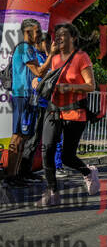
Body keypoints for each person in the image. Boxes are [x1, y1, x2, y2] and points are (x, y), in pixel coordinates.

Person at [36, 23, 100, 207]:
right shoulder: (54, 57)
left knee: (67, 157)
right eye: (56, 34)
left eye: (63, 34)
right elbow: (45, 75)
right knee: (47, 149)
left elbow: (91, 86)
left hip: (75, 112)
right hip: (54, 110)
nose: (58, 37)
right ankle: (52, 192)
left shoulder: (81, 57)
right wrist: (38, 80)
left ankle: (88, 172)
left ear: (73, 38)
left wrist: (70, 87)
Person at [5, 19, 56, 188]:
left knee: (25, 137)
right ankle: (10, 176)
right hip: (22, 96)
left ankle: (17, 174)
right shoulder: (24, 48)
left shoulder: (30, 49)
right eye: (37, 31)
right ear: (27, 32)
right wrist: (51, 55)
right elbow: (39, 71)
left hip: (29, 97)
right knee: (18, 136)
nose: (40, 34)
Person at [18, 33, 53, 184]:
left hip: (45, 103)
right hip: (35, 103)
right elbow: (38, 76)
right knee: (31, 138)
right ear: (40, 43)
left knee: (36, 138)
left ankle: (28, 170)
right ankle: (22, 173)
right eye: (47, 43)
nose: (49, 45)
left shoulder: (46, 57)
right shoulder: (35, 57)